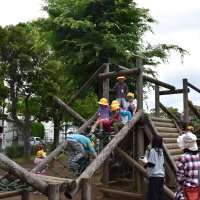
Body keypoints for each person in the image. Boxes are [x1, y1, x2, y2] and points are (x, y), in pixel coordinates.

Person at [175, 126, 200, 200]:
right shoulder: (198, 156)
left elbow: (179, 178)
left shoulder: (183, 158)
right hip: (197, 191)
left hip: (187, 191)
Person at [146, 134, 165, 200]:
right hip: (161, 176)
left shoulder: (152, 151)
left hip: (154, 176)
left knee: (153, 196)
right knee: (160, 195)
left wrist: (145, 164)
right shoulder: (161, 151)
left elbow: (152, 164)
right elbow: (162, 163)